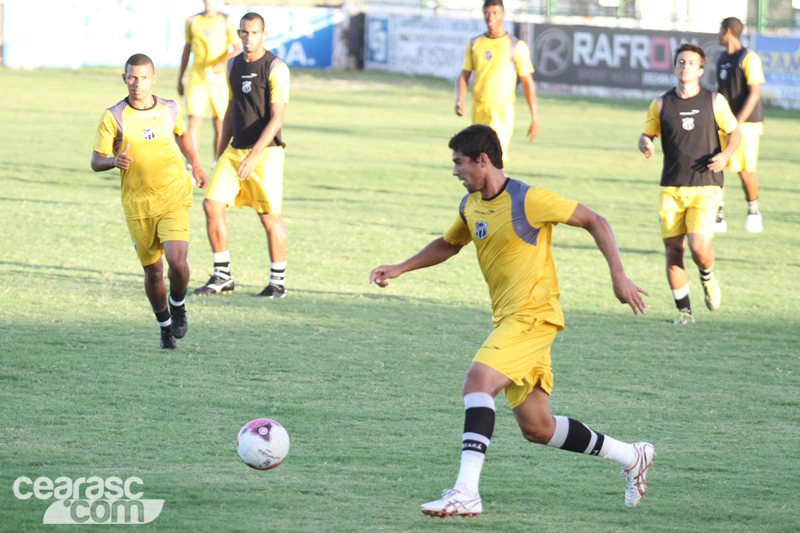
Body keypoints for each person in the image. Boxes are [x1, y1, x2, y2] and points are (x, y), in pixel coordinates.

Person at [369, 124, 654, 518]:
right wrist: (402, 267)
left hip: (533, 317)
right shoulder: (470, 205)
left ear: (482, 160)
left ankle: (466, 492)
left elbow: (595, 220)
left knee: (477, 382)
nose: (454, 171)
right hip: (510, 320)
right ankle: (633, 456)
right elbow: (450, 243)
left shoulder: (528, 199)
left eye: (459, 163)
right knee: (538, 428)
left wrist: (618, 276)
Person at [91, 53, 208, 349]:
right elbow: (96, 160)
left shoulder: (170, 108)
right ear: (124, 78)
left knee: (177, 263)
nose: (137, 83)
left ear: (153, 79)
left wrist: (195, 164)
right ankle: (165, 328)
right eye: (132, 77)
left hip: (173, 196)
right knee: (153, 272)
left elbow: (182, 135)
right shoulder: (114, 116)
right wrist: (114, 161)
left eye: (143, 78)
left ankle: (178, 304)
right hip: (138, 205)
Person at [638, 44, 741, 325]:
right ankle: (685, 312)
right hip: (671, 188)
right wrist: (645, 143)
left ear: (701, 70)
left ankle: (707, 277)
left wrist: (726, 155)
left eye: (691, 63)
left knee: (698, 249)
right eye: (681, 62)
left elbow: (734, 133)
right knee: (673, 251)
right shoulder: (661, 104)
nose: (685, 66)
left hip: (706, 187)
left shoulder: (714, 101)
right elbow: (646, 135)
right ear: (674, 67)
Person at [194, 12, 290, 298]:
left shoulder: (276, 68)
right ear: (238, 34)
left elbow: (277, 118)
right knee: (212, 205)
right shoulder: (233, 64)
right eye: (244, 32)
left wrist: (254, 156)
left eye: (254, 33)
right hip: (235, 151)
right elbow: (230, 110)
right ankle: (222, 276)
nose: (249, 38)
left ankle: (277, 283)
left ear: (264, 34)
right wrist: (219, 155)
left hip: (266, 154)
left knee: (269, 218)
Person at [455, 0, 539, 162]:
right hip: (479, 109)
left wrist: (534, 117)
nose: (490, 17)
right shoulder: (475, 43)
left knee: (493, 159)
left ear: (503, 14)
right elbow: (464, 74)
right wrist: (459, 99)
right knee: (478, 161)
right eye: (487, 13)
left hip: (501, 111)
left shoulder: (516, 45)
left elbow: (527, 83)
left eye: (495, 13)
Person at [715, 16, 765, 233]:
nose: (718, 34)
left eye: (719, 29)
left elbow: (754, 94)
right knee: (715, 167)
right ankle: (718, 215)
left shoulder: (749, 57)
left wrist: (737, 123)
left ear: (727, 31)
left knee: (744, 170)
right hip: (723, 123)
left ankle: (753, 212)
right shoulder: (721, 58)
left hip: (746, 125)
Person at [178, 0, 241, 160]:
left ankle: (217, 162)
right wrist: (180, 78)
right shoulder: (192, 21)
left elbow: (237, 49)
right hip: (197, 79)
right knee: (194, 121)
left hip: (219, 81)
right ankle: (192, 164)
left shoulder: (226, 20)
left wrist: (223, 62)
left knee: (220, 124)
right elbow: (187, 49)